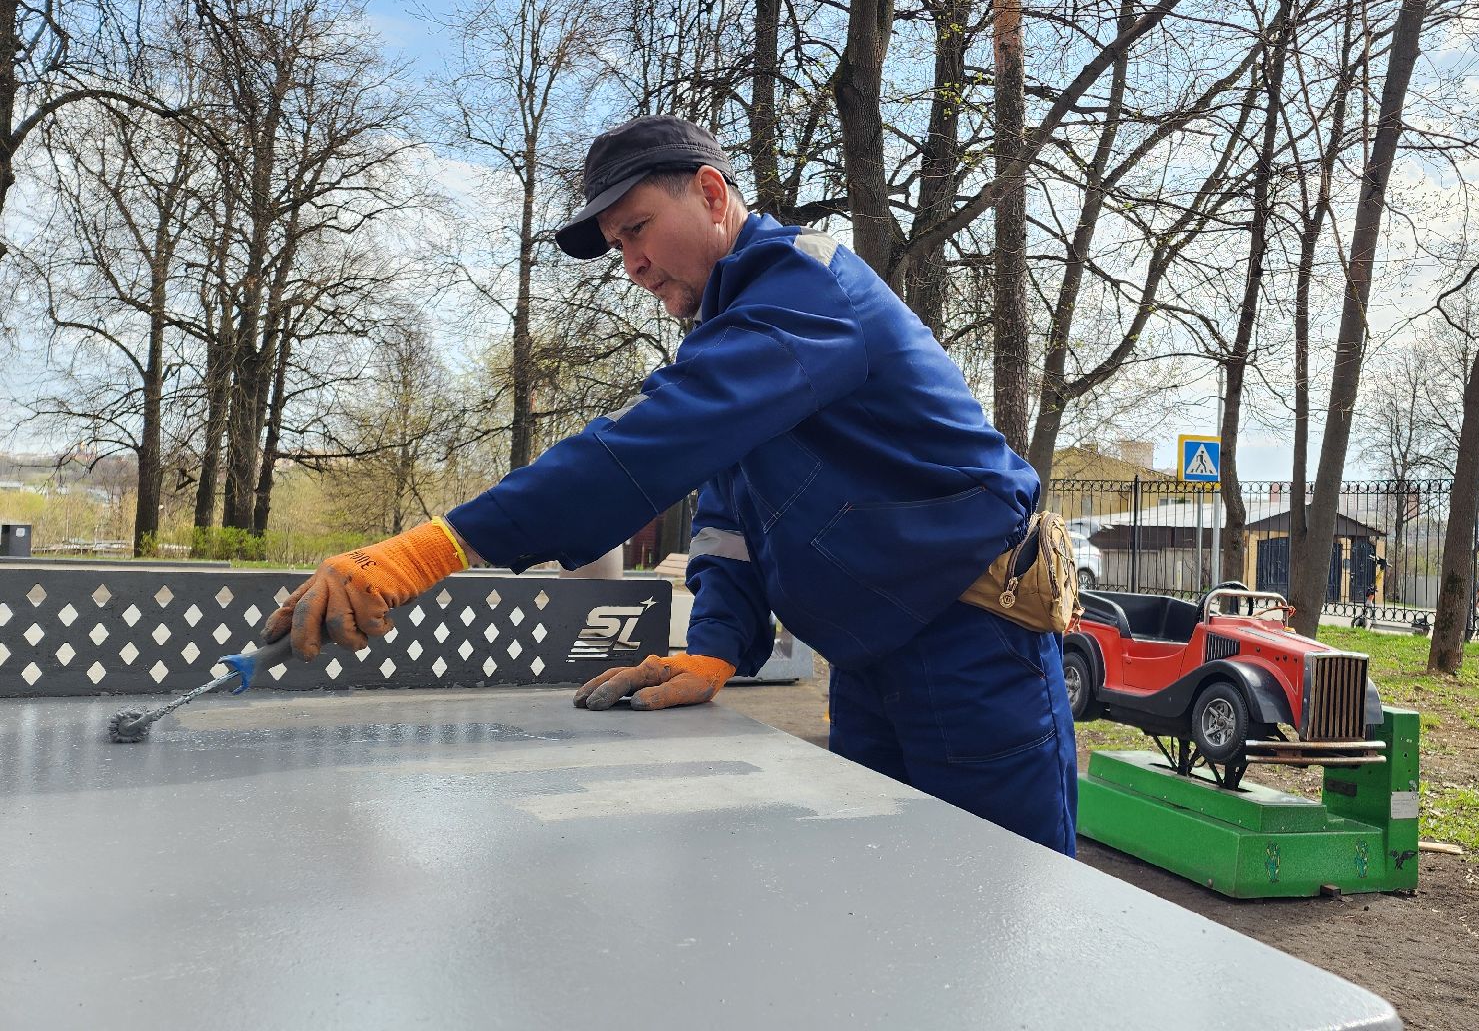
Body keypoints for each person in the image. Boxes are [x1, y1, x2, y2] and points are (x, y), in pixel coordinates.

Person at [263, 115, 1079, 855]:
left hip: (974, 647)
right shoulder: (739, 335)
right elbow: (729, 516)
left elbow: (645, 448)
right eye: (619, 246)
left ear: (714, 195)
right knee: (886, 891)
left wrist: (430, 550)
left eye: (638, 229)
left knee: (1002, 905)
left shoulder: (807, 293)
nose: (632, 265)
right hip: (876, 657)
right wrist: (716, 649)